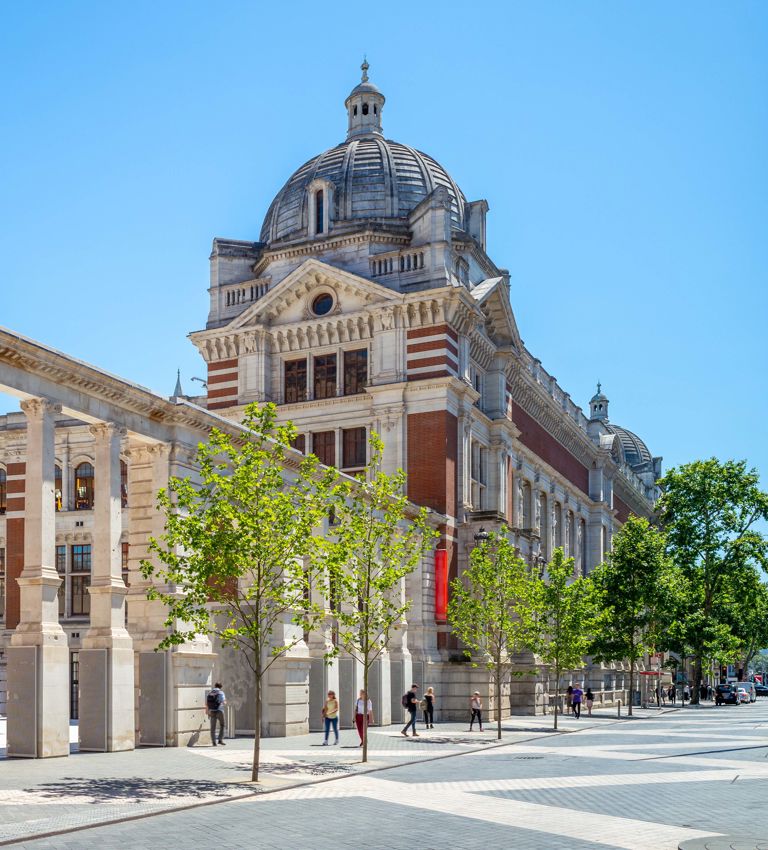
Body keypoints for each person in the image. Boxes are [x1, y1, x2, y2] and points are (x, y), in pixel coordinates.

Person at [205, 681, 226, 747]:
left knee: (212, 727)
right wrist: (225, 702)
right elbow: (223, 701)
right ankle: (220, 740)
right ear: (220, 687)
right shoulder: (221, 692)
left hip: (212, 711)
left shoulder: (210, 693)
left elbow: (207, 703)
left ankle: (214, 742)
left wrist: (207, 711)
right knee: (222, 725)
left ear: (215, 686)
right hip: (219, 710)